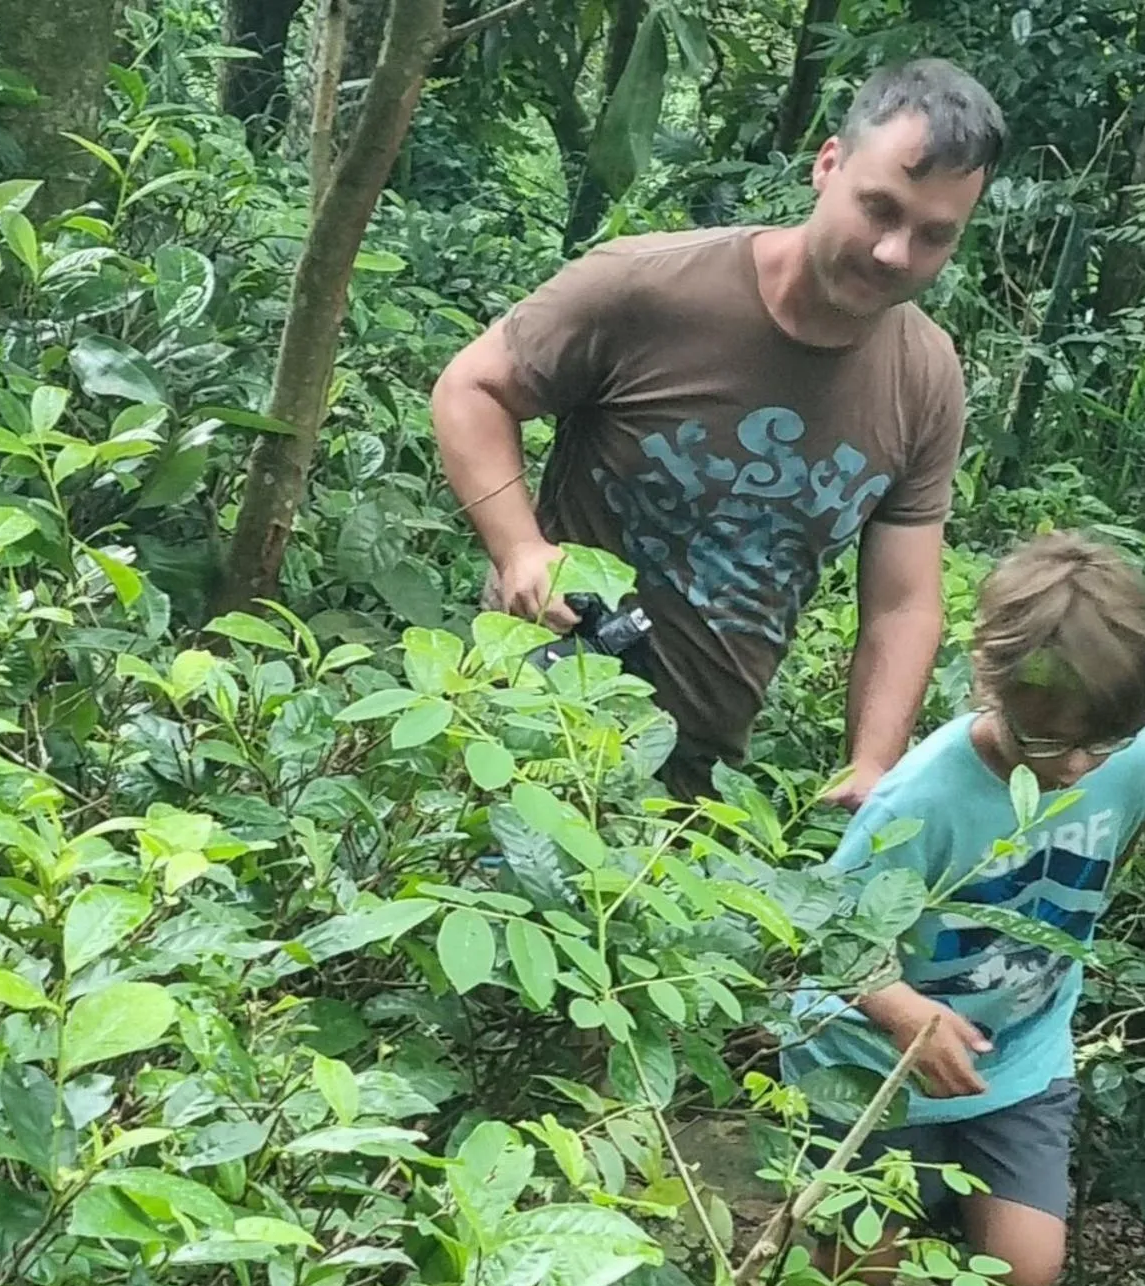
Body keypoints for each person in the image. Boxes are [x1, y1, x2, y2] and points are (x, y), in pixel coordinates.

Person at [429, 58, 1005, 804]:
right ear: (828, 165)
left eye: (934, 235)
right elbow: (471, 388)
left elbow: (903, 603)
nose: (894, 252)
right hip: (533, 725)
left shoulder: (924, 377)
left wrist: (872, 764)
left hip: (700, 783)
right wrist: (519, 551)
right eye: (879, 209)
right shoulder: (651, 286)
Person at [780, 531, 1145, 1286]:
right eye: (1046, 743)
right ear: (989, 683)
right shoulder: (918, 800)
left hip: (1018, 1056)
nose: (1074, 768)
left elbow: (1115, 855)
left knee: (1023, 1272)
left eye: (1098, 744)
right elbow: (833, 939)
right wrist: (905, 1014)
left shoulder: (1130, 757)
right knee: (856, 1269)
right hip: (868, 1065)